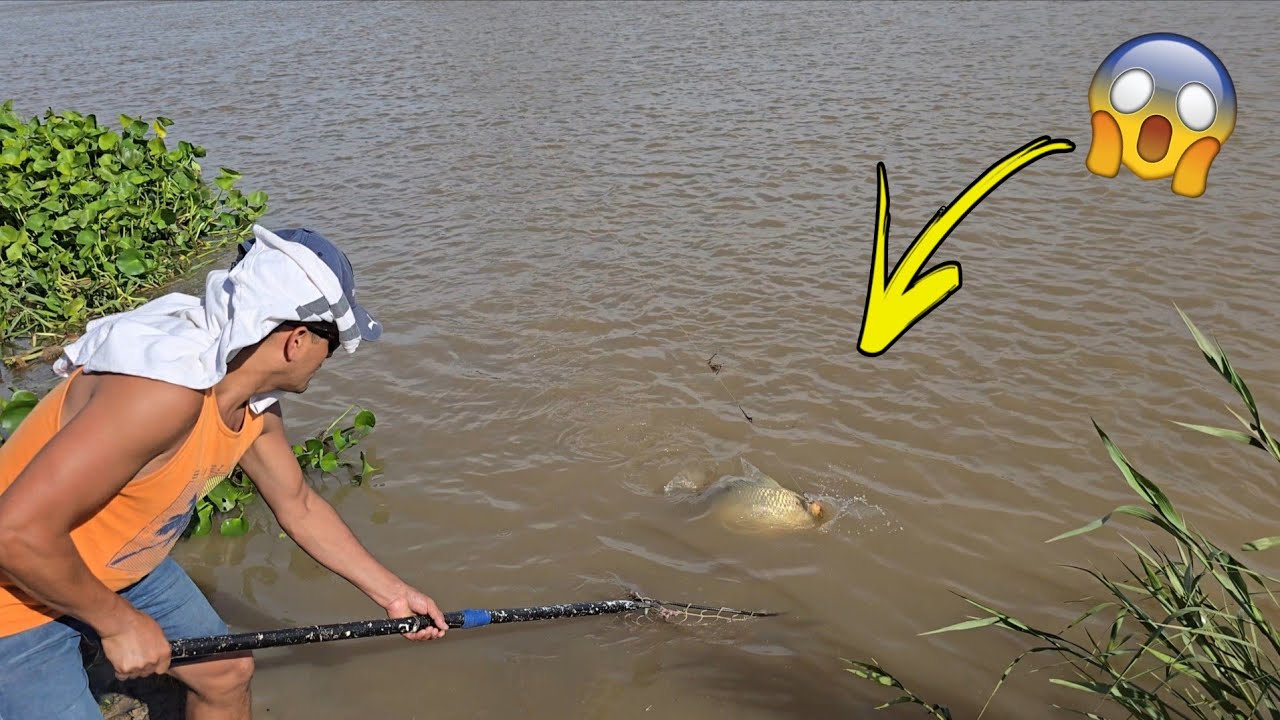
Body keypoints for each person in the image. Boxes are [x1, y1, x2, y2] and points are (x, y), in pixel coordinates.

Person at [0, 225, 447, 720]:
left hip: (120, 563)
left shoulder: (250, 405)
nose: (329, 360)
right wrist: (117, 624)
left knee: (226, 671)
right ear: (297, 340)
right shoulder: (163, 393)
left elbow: (297, 504)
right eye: (333, 344)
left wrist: (393, 594)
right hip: (14, 591)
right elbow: (13, 533)